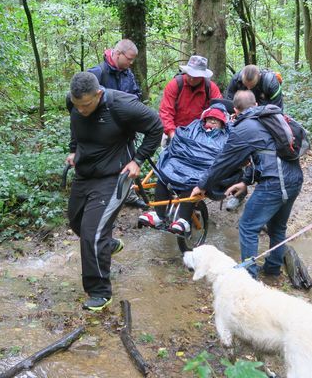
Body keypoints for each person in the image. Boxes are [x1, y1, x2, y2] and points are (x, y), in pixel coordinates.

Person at [66, 72, 162, 311]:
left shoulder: (122, 105)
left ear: (98, 94)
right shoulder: (74, 102)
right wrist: (73, 149)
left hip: (115, 176)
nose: (81, 110)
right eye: (77, 105)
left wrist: (137, 160)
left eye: (86, 105)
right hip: (85, 173)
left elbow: (156, 127)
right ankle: (107, 245)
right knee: (77, 222)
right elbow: (75, 126)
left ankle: (99, 292)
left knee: (92, 233)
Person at [190, 90, 303, 280]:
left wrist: (201, 185)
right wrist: (245, 181)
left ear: (235, 110)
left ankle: (248, 278)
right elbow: (264, 154)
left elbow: (223, 162)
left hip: (275, 184)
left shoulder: (244, 129)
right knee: (277, 228)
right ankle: (273, 270)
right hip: (294, 179)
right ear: (256, 104)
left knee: (248, 226)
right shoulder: (269, 118)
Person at [138, 103, 234, 234]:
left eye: (216, 120)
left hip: (203, 168)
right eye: (210, 118)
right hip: (181, 162)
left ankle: (183, 220)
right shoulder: (194, 127)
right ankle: (159, 215)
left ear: (223, 123)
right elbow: (180, 140)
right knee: (163, 176)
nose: (212, 122)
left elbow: (226, 155)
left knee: (193, 182)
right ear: (204, 119)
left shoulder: (227, 135)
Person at [89, 39, 146, 209]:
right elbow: (85, 100)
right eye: (129, 58)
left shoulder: (128, 74)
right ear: (118, 53)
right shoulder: (97, 73)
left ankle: (128, 195)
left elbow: (136, 95)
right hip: (102, 131)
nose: (131, 62)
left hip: (125, 130)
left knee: (129, 162)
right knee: (104, 167)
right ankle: (101, 203)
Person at [158, 55, 223, 145]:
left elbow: (219, 111)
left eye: (195, 76)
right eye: (190, 74)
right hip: (174, 129)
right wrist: (172, 134)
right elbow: (166, 112)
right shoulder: (175, 85)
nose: (192, 79)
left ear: (202, 76)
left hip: (201, 134)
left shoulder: (211, 88)